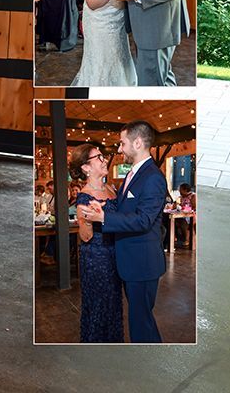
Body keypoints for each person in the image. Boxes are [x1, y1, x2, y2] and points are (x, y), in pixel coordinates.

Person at [78, 121, 167, 343]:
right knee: (138, 322)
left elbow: (145, 219)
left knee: (141, 324)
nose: (119, 149)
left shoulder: (152, 177)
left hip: (142, 264)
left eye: (122, 143)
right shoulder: (132, 175)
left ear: (137, 143)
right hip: (126, 262)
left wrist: (104, 217)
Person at [70, 143, 124, 343]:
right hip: (96, 259)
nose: (104, 160)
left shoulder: (111, 188)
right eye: (99, 157)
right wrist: (89, 219)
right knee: (99, 305)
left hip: (115, 254)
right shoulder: (84, 196)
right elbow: (85, 237)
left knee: (114, 304)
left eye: (103, 157)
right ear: (86, 167)